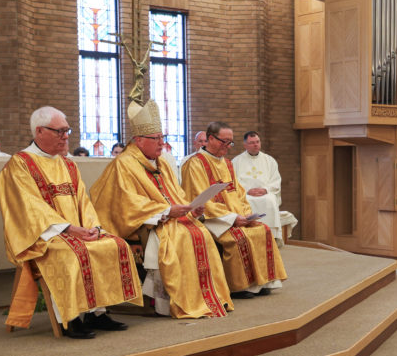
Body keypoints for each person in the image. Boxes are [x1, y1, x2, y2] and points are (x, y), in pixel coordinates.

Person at [0, 107, 141, 339]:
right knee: (71, 253)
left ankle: (97, 313)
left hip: (77, 230)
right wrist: (69, 229)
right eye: (60, 131)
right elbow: (28, 208)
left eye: (67, 130)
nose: (66, 136)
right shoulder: (20, 164)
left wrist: (93, 227)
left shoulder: (68, 164)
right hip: (42, 236)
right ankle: (70, 318)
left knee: (113, 244)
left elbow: (83, 200)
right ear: (40, 131)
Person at [89, 99, 233, 319]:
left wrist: (192, 209)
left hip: (172, 217)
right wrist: (165, 212)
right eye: (155, 138)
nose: (161, 143)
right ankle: (173, 301)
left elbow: (177, 194)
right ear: (138, 140)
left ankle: (206, 297)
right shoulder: (124, 164)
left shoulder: (163, 162)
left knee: (201, 233)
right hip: (145, 223)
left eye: (162, 138)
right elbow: (125, 203)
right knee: (180, 237)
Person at [181, 122, 287, 298]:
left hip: (236, 216)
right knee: (239, 238)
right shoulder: (195, 164)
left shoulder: (228, 164)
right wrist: (232, 218)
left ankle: (261, 283)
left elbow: (240, 193)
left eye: (230, 142)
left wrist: (246, 214)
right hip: (212, 218)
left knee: (263, 230)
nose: (228, 147)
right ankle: (239, 287)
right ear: (211, 139)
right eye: (224, 142)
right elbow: (201, 199)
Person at [232, 131, 298, 244]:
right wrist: (247, 190)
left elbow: (276, 180)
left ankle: (272, 237)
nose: (255, 145)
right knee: (247, 201)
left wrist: (265, 189)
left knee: (271, 200)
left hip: (265, 194)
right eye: (252, 143)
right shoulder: (236, 162)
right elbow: (233, 183)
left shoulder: (269, 160)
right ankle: (250, 238)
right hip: (246, 195)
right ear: (245, 145)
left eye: (257, 142)